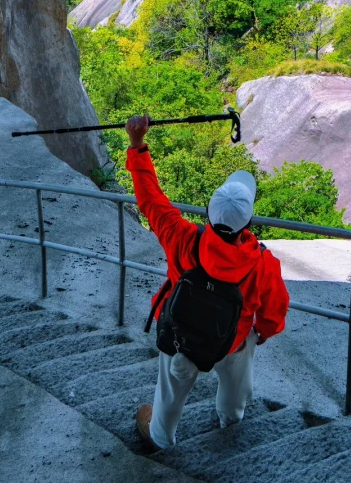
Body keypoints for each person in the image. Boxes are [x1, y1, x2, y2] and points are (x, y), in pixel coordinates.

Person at [124, 113, 289, 451]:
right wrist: (261, 333)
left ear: (209, 213)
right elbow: (274, 310)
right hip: (233, 340)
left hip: (180, 337)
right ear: (248, 222)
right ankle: (230, 421)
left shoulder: (181, 237)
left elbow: (150, 200)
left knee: (170, 391)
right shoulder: (262, 263)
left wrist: (137, 144)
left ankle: (160, 435)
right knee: (235, 387)